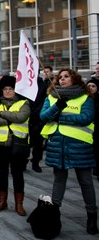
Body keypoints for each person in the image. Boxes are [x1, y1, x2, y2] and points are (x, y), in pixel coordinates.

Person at [40, 68, 98, 234]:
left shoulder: (85, 97)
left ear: (74, 79)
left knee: (86, 181)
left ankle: (92, 216)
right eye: (60, 77)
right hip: (57, 145)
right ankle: (54, 215)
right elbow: (44, 117)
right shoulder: (52, 97)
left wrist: (61, 117)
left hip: (80, 145)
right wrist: (57, 106)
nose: (62, 79)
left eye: (66, 77)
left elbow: (86, 118)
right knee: (59, 181)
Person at [0, 75, 31, 216]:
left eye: (10, 89)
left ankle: (19, 204)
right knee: (2, 174)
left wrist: (2, 114)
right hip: (0, 143)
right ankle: (2, 201)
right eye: (5, 89)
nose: (7, 92)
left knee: (17, 174)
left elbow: (21, 117)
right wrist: (8, 120)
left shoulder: (24, 103)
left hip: (18, 143)